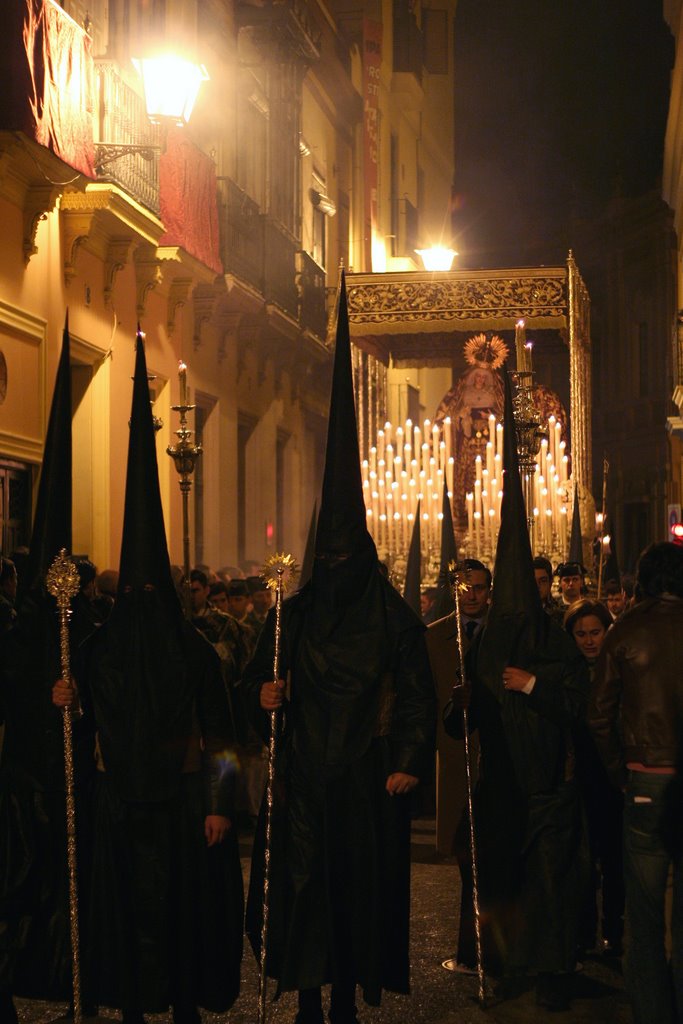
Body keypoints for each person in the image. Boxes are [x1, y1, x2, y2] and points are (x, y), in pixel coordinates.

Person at [244, 274, 436, 1024]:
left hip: (362, 776)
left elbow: (415, 689)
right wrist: (262, 693)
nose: (331, 571)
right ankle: (309, 994)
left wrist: (406, 761)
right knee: (302, 886)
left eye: (340, 560)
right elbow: (253, 680)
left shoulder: (389, 618)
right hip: (304, 773)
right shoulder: (291, 617)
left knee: (355, 888)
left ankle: (350, 993)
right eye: (322, 562)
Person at [61, 334, 243, 1024]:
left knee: (179, 912)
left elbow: (222, 734)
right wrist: (68, 700)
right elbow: (78, 725)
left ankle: (184, 1006)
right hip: (115, 805)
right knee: (123, 909)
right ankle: (131, 1003)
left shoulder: (193, 650)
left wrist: (221, 803)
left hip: (180, 800)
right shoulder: (100, 648)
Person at [444, 365, 588, 1012]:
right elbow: (460, 721)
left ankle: (554, 965)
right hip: (500, 786)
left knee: (553, 883)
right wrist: (463, 703)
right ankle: (502, 965)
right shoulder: (484, 642)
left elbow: (574, 701)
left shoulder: (552, 637)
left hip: (548, 784)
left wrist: (531, 685)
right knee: (500, 878)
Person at [589, 542, 683, 1024]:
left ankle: (652, 1012)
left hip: (645, 780)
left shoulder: (625, 631)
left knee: (644, 917)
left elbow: (600, 715)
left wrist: (618, 772)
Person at [425, 559, 490, 962]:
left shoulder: (502, 632)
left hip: (496, 757)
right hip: (454, 756)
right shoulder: (434, 637)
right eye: (465, 587)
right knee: (466, 859)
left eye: (480, 587)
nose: (472, 595)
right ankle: (471, 949)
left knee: (491, 858)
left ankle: (486, 949)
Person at [564, 599, 624, 959]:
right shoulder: (567, 673)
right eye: (581, 634)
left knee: (614, 857)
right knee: (581, 859)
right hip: (578, 775)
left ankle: (614, 930)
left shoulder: (618, 667)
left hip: (612, 773)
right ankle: (584, 931)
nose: (588, 641)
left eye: (595, 633)